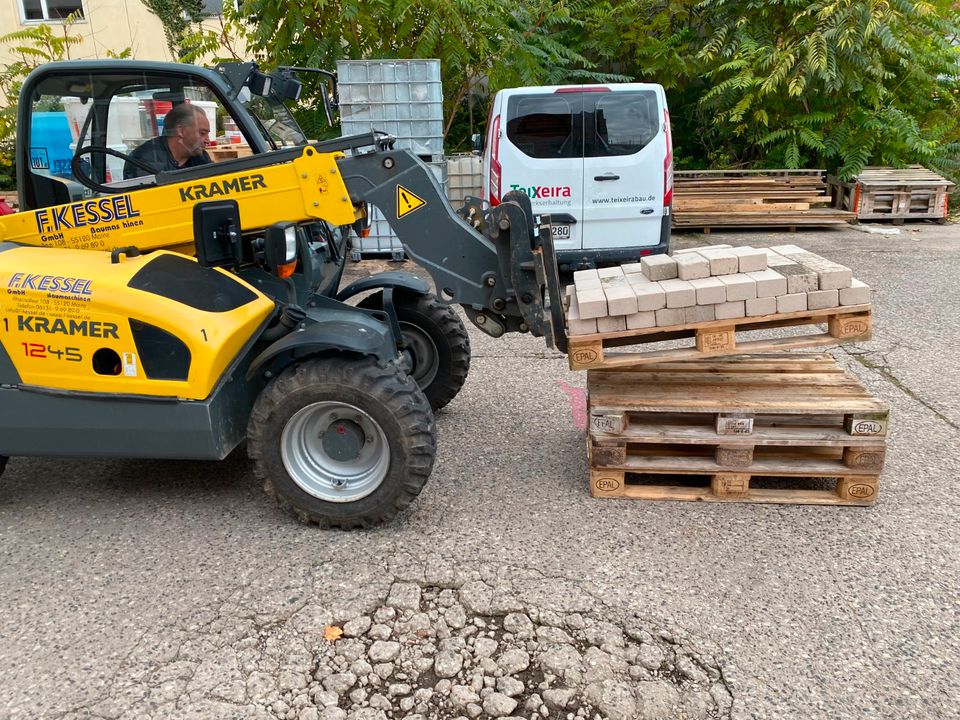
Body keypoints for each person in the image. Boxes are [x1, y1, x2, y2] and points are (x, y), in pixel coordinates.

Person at [124, 103, 213, 179]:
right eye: (202, 133)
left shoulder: (200, 157)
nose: (207, 141)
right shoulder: (145, 160)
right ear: (181, 130)